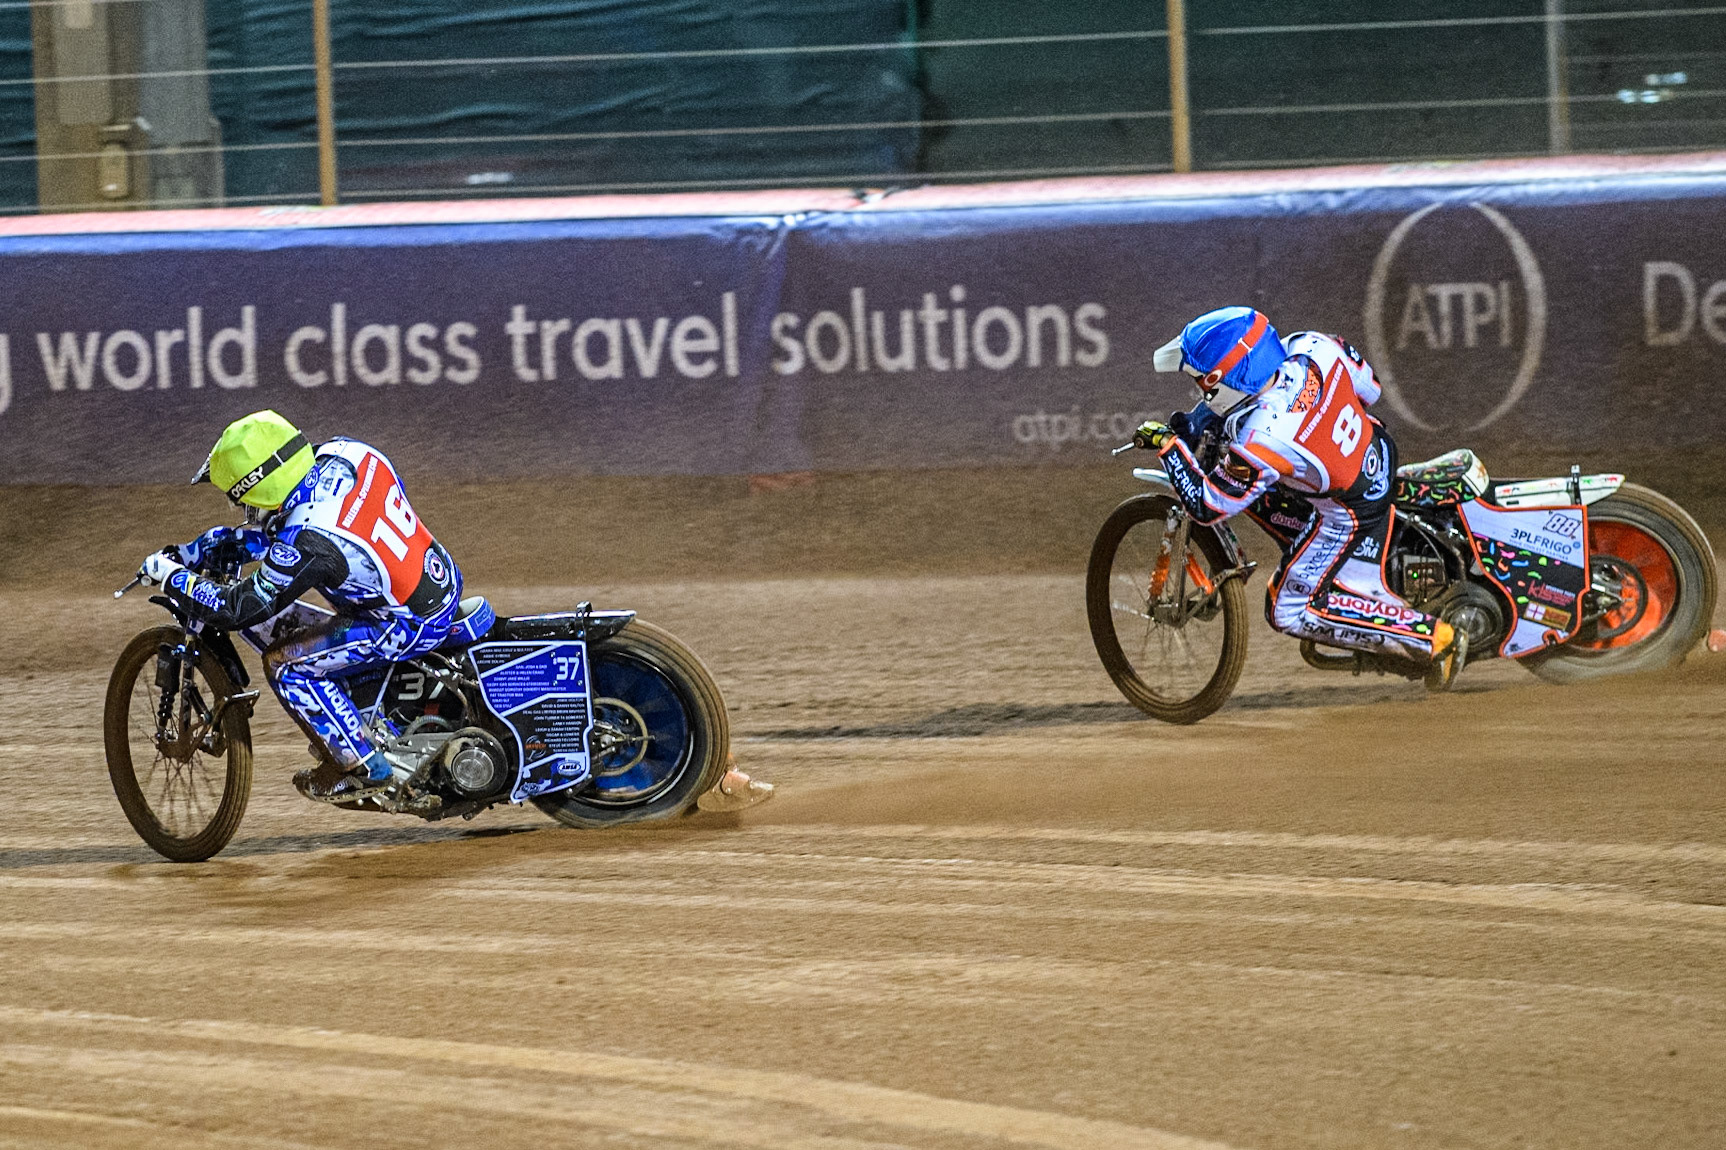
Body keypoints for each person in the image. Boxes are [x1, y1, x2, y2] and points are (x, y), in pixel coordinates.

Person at [136, 410, 468, 799]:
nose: (243, 510)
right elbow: (292, 530)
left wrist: (174, 578)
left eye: (241, 500)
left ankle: (361, 765)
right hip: (435, 576)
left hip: (407, 623)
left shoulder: (308, 538)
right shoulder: (348, 453)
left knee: (285, 664)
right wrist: (203, 549)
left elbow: (238, 609)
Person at [1136, 306, 1466, 689]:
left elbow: (1208, 505)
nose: (1199, 392)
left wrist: (1169, 446)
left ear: (1220, 380)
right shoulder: (1311, 346)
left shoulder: (1261, 440)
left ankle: (1434, 638)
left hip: (1348, 512)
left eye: (1201, 384)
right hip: (1377, 451)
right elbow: (1370, 387)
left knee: (1285, 609)